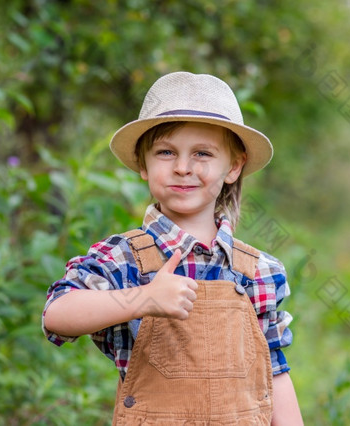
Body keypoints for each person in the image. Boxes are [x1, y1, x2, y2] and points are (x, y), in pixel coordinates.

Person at [42, 71, 303, 425]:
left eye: (202, 153)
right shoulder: (125, 258)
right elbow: (57, 315)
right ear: (142, 164)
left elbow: (274, 372)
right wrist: (144, 298)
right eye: (166, 152)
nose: (183, 168)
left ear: (234, 166)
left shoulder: (260, 272)